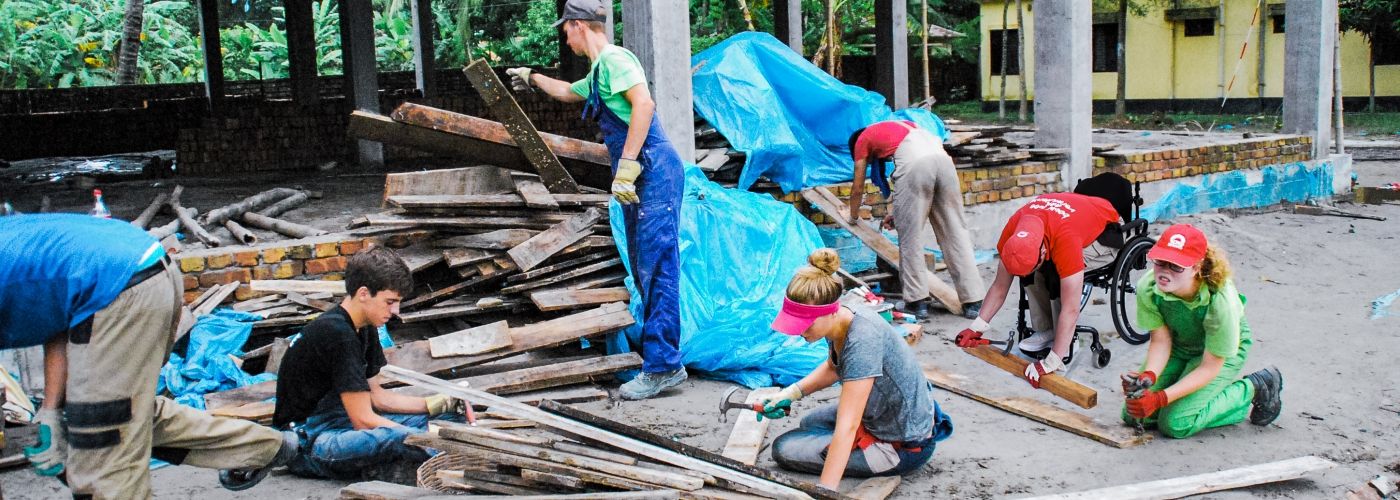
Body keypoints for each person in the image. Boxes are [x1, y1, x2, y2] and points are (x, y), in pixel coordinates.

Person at [0, 214, 298, 499]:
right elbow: (55, 314)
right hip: (135, 269)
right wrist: (51, 410)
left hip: (119, 285)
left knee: (102, 437)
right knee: (126, 409)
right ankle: (267, 447)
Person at [505, 0, 686, 400]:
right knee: (645, 268)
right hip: (642, 172)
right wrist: (532, 77)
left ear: (578, 26)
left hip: (653, 170)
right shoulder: (599, 70)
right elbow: (569, 92)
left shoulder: (617, 59)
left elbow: (644, 105)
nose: (564, 37)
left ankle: (664, 367)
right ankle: (662, 357)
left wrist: (626, 165)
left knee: (657, 268)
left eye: (565, 29)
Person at [762, 249, 954, 490]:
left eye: (805, 323)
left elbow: (848, 425)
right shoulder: (842, 319)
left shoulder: (862, 341)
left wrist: (826, 491)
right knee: (810, 422)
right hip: (884, 413)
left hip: (905, 444)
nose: (800, 331)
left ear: (829, 311)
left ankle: (880, 454)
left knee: (784, 448)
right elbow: (834, 367)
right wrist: (789, 393)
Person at [274, 246, 463, 481]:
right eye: (390, 302)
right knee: (405, 438)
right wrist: (425, 439)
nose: (396, 311)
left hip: (346, 427)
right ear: (364, 293)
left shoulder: (365, 327)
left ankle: (387, 468)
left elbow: (378, 398)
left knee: (450, 423)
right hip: (310, 442)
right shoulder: (336, 334)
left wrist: (441, 404)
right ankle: (433, 462)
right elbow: (363, 420)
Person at [1119, 224, 1282, 437]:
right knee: (1133, 414)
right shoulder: (1148, 287)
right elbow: (1161, 340)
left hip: (1219, 355)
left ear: (1196, 267)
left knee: (1176, 423)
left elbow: (1209, 367)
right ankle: (1193, 393)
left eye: (1176, 266)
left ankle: (1254, 387)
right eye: (1161, 261)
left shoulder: (1221, 302)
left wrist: (1160, 398)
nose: (1165, 271)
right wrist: (1148, 376)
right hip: (1179, 347)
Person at [954, 191, 1121, 386]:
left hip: (1106, 233)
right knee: (1034, 274)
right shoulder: (1012, 231)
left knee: (1056, 275)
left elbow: (1071, 308)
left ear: (1042, 251)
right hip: (1068, 216)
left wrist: (1052, 361)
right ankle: (1047, 329)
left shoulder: (1065, 240)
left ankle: (1065, 344)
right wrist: (977, 327)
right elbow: (999, 287)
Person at [846, 120, 984, 320]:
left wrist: (852, 215)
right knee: (955, 233)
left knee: (910, 239)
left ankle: (916, 302)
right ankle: (973, 302)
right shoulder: (904, 124)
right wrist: (898, 215)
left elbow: (857, 186)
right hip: (944, 162)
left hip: (917, 166)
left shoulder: (861, 140)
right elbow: (920, 189)